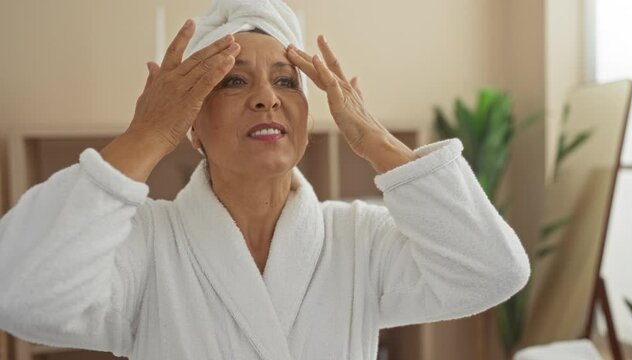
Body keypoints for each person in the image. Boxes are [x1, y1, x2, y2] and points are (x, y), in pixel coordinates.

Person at [0, 0, 531, 359]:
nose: (266, 97)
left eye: (285, 80)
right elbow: (23, 295)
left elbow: (493, 271)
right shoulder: (146, 244)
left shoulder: (358, 240)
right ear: (191, 125)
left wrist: (376, 140)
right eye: (233, 81)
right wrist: (145, 135)